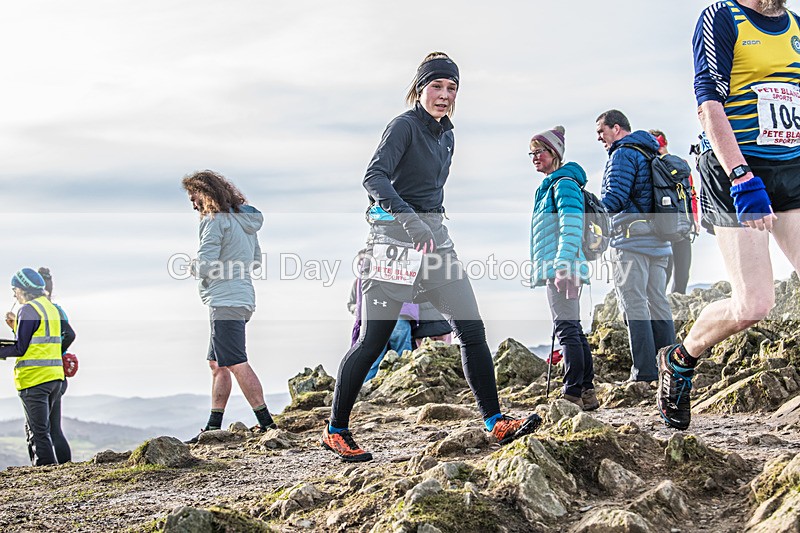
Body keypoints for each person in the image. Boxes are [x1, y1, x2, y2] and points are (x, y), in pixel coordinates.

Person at [321, 52, 541, 462]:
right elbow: (374, 177)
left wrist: (430, 226)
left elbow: (429, 193)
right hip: (393, 245)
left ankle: (495, 421)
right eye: (437, 86)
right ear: (420, 88)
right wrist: (409, 221)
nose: (444, 95)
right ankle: (336, 430)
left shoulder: (447, 135)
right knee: (373, 340)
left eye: (452, 88)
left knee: (471, 328)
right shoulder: (403, 127)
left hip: (436, 244)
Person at [658, 0, 800, 430]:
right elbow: (708, 103)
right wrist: (741, 175)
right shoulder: (722, 16)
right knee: (753, 304)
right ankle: (680, 359)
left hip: (790, 169)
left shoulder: (795, 25)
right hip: (734, 171)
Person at [182, 170, 277, 443]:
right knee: (217, 364)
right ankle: (213, 426)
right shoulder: (244, 220)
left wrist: (192, 267)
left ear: (207, 194)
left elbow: (204, 263)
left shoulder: (215, 221)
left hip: (225, 300)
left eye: (194, 196)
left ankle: (267, 424)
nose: (192, 202)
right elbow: (256, 260)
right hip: (243, 297)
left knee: (235, 361)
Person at [596, 110, 676, 383]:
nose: (599, 138)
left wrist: (592, 213)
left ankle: (644, 372)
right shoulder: (652, 152)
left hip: (631, 240)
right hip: (660, 240)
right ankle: (671, 368)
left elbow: (615, 198)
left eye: (601, 131)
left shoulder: (622, 154)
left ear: (616, 128)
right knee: (658, 302)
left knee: (634, 305)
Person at [528, 125, 598, 411]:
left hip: (563, 267)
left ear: (553, 153)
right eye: (530, 153)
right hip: (561, 265)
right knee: (572, 328)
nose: (533, 157)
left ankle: (571, 393)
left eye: (538, 152)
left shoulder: (564, 183)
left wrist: (562, 267)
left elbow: (571, 226)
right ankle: (587, 391)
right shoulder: (553, 185)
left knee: (566, 329)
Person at [0, 268, 70, 465]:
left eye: (14, 289)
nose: (14, 294)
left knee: (39, 434)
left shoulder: (28, 309)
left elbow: (21, 347)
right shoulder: (49, 308)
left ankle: (48, 476)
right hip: (54, 378)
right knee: (44, 430)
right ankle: (50, 473)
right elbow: (40, 339)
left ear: (23, 289)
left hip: (35, 380)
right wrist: (16, 327)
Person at [649, 129, 699, 295]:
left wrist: (694, 219)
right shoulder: (652, 168)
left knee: (683, 272)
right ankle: (658, 307)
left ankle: (678, 308)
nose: (659, 153)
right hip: (663, 227)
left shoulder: (682, 165)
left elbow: (691, 194)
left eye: (660, 148)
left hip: (683, 225)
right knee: (665, 270)